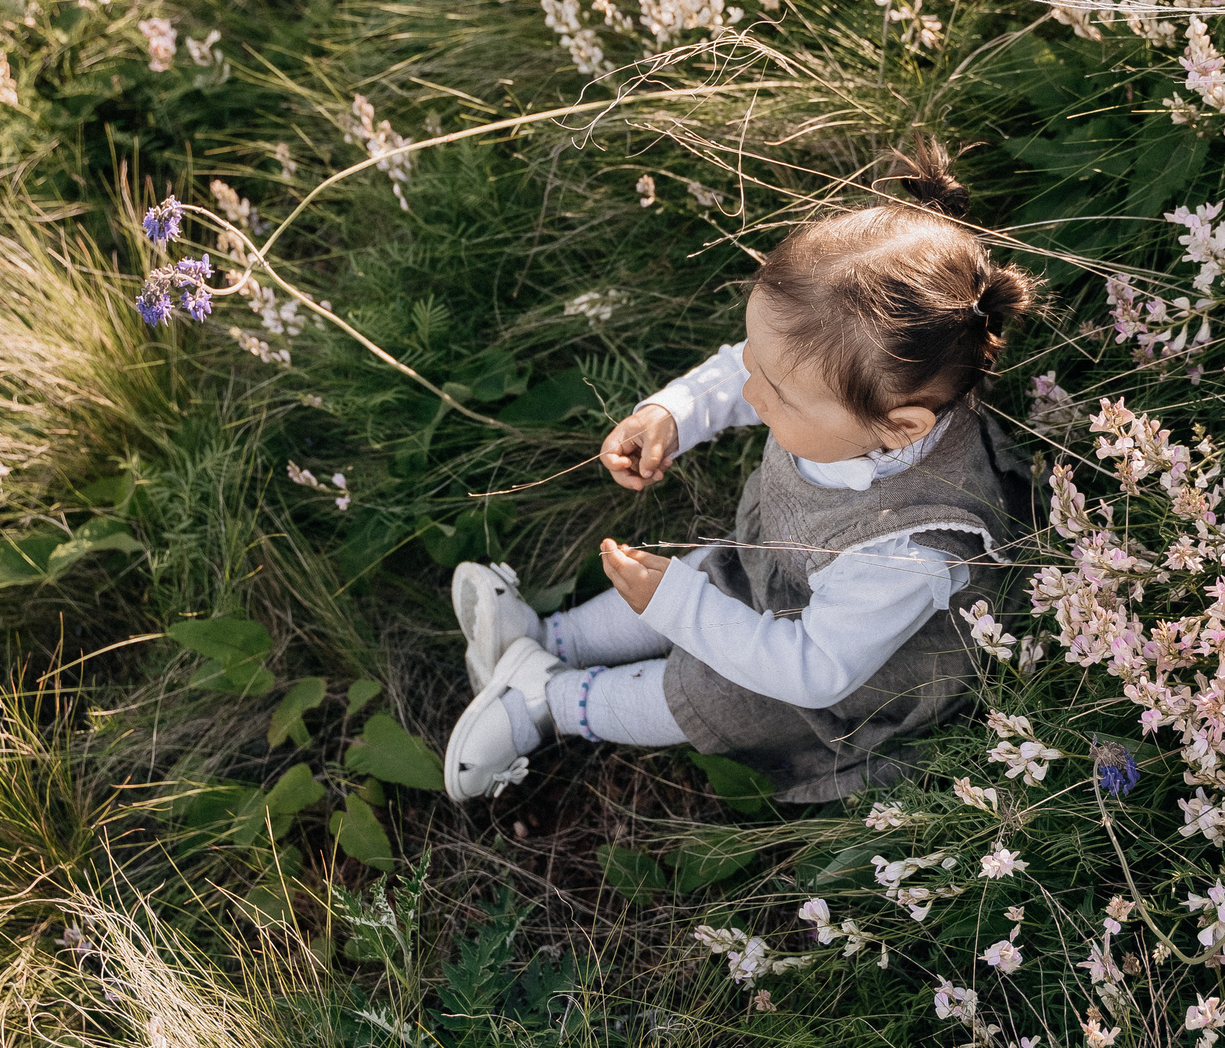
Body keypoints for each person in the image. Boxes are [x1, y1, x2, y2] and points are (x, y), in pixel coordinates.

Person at [441, 141, 1038, 806]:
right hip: (781, 568)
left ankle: (549, 700)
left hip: (834, 676)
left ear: (900, 427)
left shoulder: (911, 549)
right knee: (709, 572)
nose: (753, 392)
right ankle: (546, 639)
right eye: (757, 360)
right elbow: (741, 368)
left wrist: (677, 605)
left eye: (778, 394)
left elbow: (812, 671)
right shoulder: (849, 398)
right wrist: (671, 413)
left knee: (703, 691)